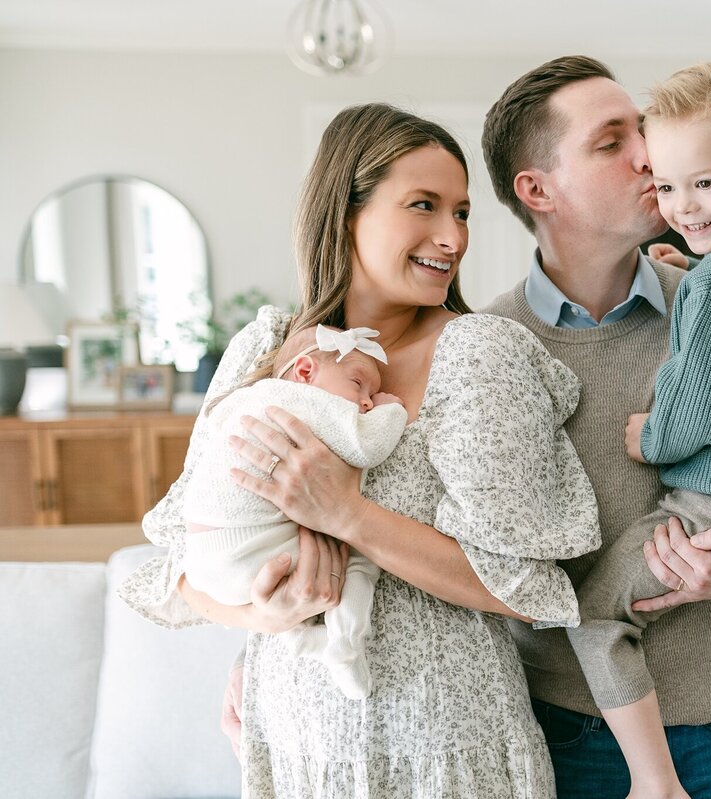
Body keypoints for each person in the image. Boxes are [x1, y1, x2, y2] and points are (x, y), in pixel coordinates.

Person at [121, 103, 603, 797]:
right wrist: (265, 612)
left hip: (444, 750)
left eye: (462, 211)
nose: (453, 236)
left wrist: (347, 513)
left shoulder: (476, 351)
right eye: (424, 205)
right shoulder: (266, 349)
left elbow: (524, 587)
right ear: (346, 212)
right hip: (298, 744)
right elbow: (184, 567)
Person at [480, 55, 711, 798]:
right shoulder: (489, 344)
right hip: (567, 724)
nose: (647, 156)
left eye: (642, 132)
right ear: (537, 189)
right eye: (611, 141)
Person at [180, 323, 407, 699]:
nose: (367, 400)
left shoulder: (249, 397)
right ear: (305, 372)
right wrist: (390, 410)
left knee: (308, 562)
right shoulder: (301, 400)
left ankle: (301, 640)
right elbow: (367, 446)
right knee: (361, 558)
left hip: (206, 558)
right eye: (358, 384)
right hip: (245, 548)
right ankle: (345, 645)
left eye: (371, 394)